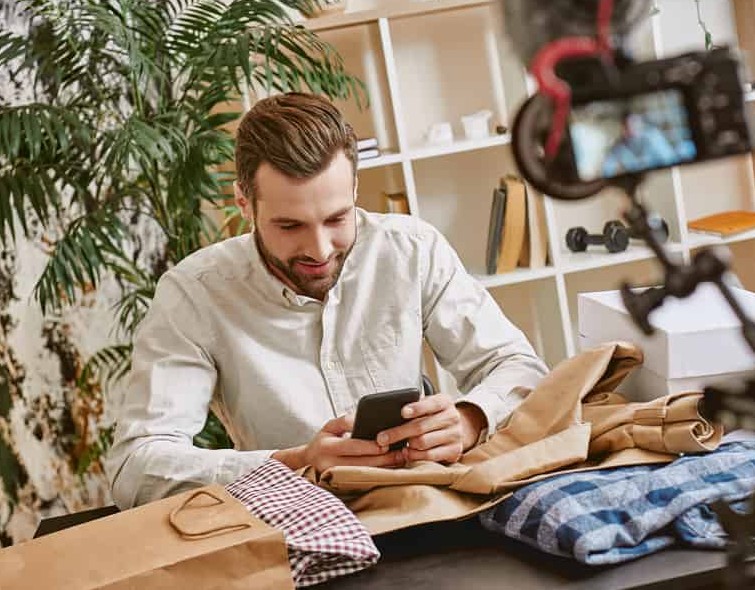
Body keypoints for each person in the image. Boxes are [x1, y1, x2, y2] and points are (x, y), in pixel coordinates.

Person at [106, 93, 550, 508]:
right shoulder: (194, 294)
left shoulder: (412, 249)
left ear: (356, 189)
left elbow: (520, 366)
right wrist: (296, 463)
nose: (319, 250)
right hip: (290, 524)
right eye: (289, 226)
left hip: (423, 505)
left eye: (337, 218)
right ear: (244, 203)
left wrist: (471, 418)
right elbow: (136, 468)